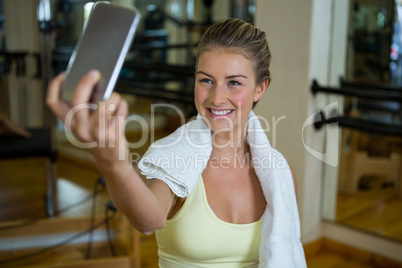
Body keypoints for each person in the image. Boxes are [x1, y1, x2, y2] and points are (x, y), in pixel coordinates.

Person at [47, 18, 304, 267]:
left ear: (260, 88)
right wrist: (115, 165)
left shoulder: (279, 175)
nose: (217, 97)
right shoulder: (176, 160)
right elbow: (148, 219)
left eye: (234, 82)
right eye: (206, 80)